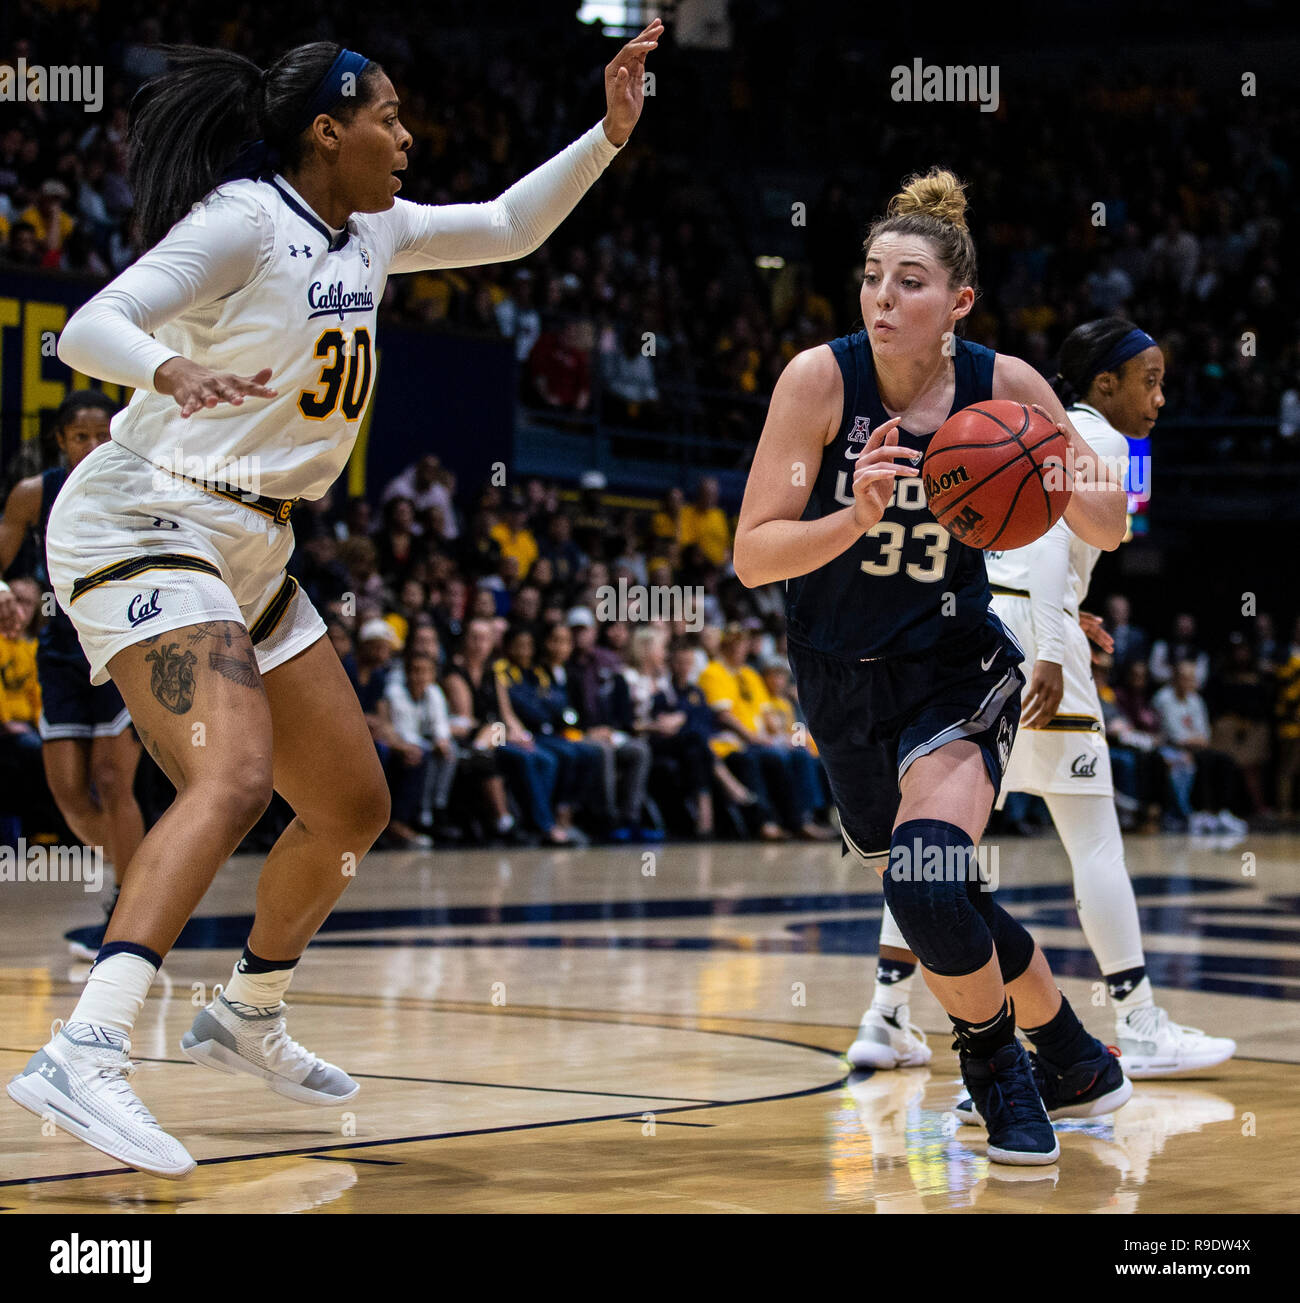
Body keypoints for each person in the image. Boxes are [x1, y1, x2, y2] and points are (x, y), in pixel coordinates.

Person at [6, 25, 661, 1178]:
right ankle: (87, 1047)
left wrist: (606, 136)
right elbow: (97, 322)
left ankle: (247, 1013)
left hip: (253, 546)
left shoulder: (373, 229)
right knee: (233, 775)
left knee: (353, 805)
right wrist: (168, 369)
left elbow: (507, 229)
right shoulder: (244, 221)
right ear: (328, 129)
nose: (406, 139)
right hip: (146, 512)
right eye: (388, 119)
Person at [734, 168, 1131, 1165]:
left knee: (922, 874)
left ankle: (996, 1073)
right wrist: (852, 516)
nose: (880, 297)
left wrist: (1053, 466)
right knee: (939, 888)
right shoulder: (818, 382)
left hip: (955, 669)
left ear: (958, 300)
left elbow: (1110, 520)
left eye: (908, 281)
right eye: (871, 276)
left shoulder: (1006, 389)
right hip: (835, 677)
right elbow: (752, 555)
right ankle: (1075, 1055)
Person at [862, 317, 1234, 1083]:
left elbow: (1023, 539)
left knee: (934, 840)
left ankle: (886, 1016)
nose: (1161, 397)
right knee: (1094, 838)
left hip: (988, 625)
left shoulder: (1052, 429)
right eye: (1150, 379)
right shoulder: (1089, 438)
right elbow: (1040, 543)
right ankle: (1139, 1021)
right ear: (1104, 384)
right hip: (1033, 645)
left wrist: (1068, 606)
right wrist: (1056, 644)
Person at [0, 390, 145, 959]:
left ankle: (131, 908)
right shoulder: (33, 494)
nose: (92, 445)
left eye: (102, 435)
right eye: (80, 436)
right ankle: (155, 868)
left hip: (117, 643)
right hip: (60, 654)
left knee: (113, 783)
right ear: (60, 440)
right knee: (70, 798)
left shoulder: (133, 485)